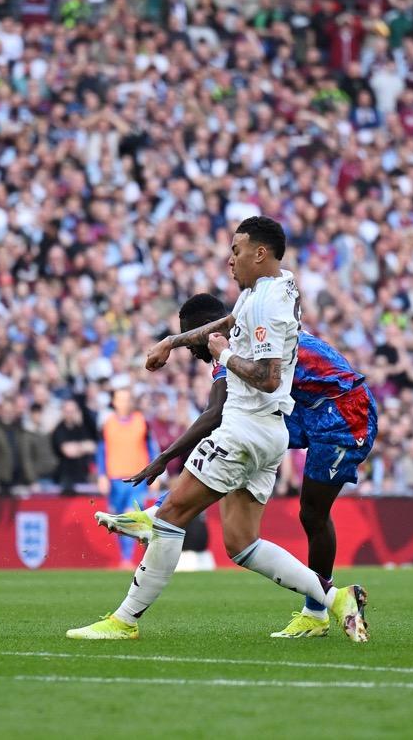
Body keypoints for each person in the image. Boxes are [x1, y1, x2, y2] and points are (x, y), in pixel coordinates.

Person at [68, 216, 369, 643]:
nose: (230, 259)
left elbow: (266, 375)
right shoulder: (269, 290)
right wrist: (171, 343)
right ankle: (335, 600)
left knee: (173, 518)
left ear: (259, 253)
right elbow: (229, 322)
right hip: (271, 431)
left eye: (236, 250)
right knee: (241, 543)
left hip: (249, 427)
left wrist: (225, 357)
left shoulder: (264, 303)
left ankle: (124, 619)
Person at [104, 291, 379, 638]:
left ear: (208, 330)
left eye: (192, 339)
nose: (192, 350)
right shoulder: (244, 330)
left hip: (342, 410)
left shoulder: (235, 345)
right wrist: (172, 342)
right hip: (308, 408)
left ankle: (316, 612)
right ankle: (160, 512)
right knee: (240, 443)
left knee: (311, 511)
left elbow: (215, 413)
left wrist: (163, 459)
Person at [96, 388, 156, 567]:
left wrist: (155, 473)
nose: (124, 403)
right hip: (115, 479)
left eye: (127, 399)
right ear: (114, 402)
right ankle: (125, 557)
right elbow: (101, 451)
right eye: (120, 399)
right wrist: (101, 475)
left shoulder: (142, 422)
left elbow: (152, 448)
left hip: (137, 478)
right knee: (118, 518)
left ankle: (128, 559)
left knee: (132, 516)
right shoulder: (107, 424)